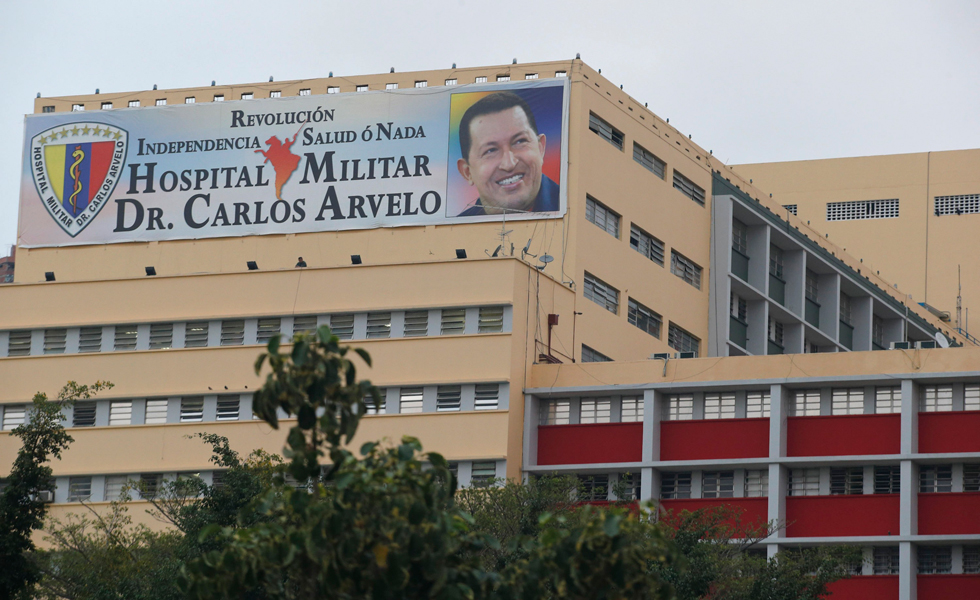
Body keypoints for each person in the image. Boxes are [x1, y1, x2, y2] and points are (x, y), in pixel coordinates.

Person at [455, 92, 559, 217]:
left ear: (541, 148)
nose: (509, 164)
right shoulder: (453, 234)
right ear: (467, 172)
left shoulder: (573, 209)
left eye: (520, 141)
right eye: (491, 150)